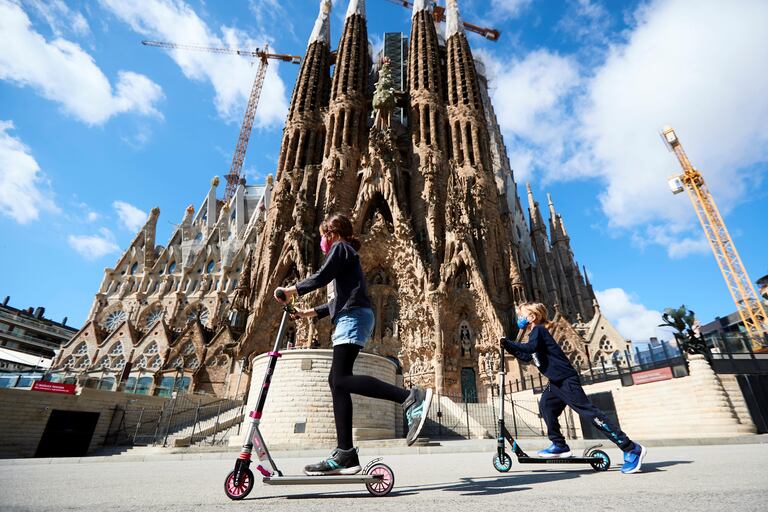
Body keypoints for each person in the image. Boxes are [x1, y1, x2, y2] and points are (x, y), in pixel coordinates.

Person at [275, 213, 433, 476]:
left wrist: (292, 290)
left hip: (354, 317)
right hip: (351, 315)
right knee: (337, 382)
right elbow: (335, 302)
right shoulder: (345, 257)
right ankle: (345, 453)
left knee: (340, 380)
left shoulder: (341, 248)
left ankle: (409, 397)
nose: (323, 242)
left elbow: (322, 276)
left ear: (332, 232)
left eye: (324, 235)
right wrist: (306, 313)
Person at [500, 303, 647, 474]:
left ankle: (631, 448)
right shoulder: (534, 335)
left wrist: (509, 342)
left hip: (566, 380)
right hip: (556, 382)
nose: (519, 318)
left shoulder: (539, 331)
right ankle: (559, 445)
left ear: (532, 317)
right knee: (546, 407)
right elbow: (526, 356)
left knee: (590, 414)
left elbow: (529, 348)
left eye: (521, 315)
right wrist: (508, 346)